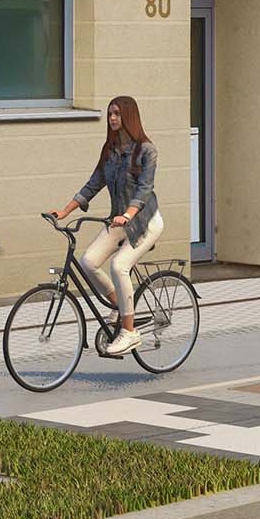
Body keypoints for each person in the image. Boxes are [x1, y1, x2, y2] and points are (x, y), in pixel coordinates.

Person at [49, 95, 161, 358]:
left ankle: (129, 332)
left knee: (119, 266)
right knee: (88, 262)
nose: (112, 118)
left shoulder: (146, 150)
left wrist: (129, 214)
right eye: (111, 113)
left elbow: (144, 190)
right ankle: (119, 307)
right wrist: (64, 211)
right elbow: (93, 184)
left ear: (129, 117)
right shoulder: (109, 151)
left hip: (146, 222)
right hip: (119, 220)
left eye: (117, 114)